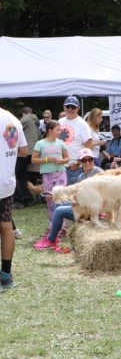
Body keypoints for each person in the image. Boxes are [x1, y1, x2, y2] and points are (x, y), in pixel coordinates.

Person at [33, 149, 103, 249]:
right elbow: (76, 196)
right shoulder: (81, 176)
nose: (88, 162)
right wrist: (55, 195)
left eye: (90, 159)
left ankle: (51, 240)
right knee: (58, 202)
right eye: (84, 160)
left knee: (59, 211)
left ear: (94, 160)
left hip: (92, 211)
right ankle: (57, 232)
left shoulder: (99, 173)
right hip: (84, 207)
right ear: (80, 162)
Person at [0, 106, 28, 292]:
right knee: (6, 227)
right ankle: (6, 276)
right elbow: (24, 151)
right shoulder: (12, 119)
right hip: (6, 184)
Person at [32, 120, 69, 233]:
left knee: (61, 199)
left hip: (60, 173)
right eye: (58, 130)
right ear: (50, 130)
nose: (60, 132)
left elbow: (67, 158)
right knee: (50, 200)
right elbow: (33, 160)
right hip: (47, 175)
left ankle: (63, 226)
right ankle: (53, 226)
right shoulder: (40, 144)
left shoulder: (61, 143)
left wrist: (61, 161)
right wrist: (47, 159)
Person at [59, 96, 92, 185]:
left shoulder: (82, 124)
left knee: (74, 192)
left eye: (73, 107)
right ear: (64, 107)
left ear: (78, 108)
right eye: (68, 106)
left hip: (74, 168)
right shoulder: (60, 122)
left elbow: (88, 146)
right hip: (60, 166)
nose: (70, 109)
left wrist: (78, 163)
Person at [13, 106, 41, 208]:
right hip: (34, 152)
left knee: (16, 175)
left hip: (24, 151)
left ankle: (20, 199)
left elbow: (14, 128)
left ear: (24, 113)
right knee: (22, 175)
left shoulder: (26, 119)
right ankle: (27, 198)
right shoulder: (36, 122)